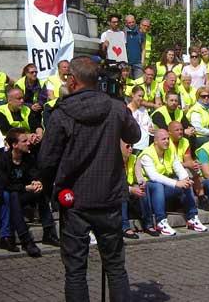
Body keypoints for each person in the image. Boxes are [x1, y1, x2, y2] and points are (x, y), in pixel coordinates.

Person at [37, 56, 141, 302]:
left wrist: (49, 186)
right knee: (115, 266)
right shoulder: (115, 107)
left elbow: (46, 160)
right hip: (107, 195)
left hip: (75, 198)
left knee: (75, 269)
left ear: (72, 80)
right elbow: (134, 134)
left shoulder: (62, 113)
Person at [0, 128, 59, 257]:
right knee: (13, 195)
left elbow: (35, 172)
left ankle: (49, 232)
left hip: (23, 194)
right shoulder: (1, 159)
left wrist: (37, 182)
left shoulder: (28, 157)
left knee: (41, 191)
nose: (28, 143)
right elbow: (4, 184)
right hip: (8, 197)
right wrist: (25, 187)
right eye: (24, 141)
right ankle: (26, 240)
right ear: (14, 145)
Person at [140, 129, 208, 236]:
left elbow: (178, 167)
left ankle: (192, 218)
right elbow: (153, 176)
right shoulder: (147, 154)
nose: (167, 141)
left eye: (167, 138)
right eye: (163, 139)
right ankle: (160, 221)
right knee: (158, 186)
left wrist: (185, 179)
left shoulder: (170, 150)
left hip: (165, 187)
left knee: (186, 183)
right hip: (150, 189)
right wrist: (176, 183)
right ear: (155, 141)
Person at [120, 140, 156, 239]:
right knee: (123, 192)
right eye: (128, 146)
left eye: (131, 146)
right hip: (117, 192)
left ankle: (148, 224)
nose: (131, 149)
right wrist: (130, 189)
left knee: (144, 189)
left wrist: (141, 183)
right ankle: (125, 227)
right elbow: (114, 184)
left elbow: (139, 174)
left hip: (130, 190)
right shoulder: (113, 161)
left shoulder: (135, 158)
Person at [127, 86, 154, 151]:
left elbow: (150, 126)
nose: (141, 98)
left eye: (142, 96)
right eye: (139, 96)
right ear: (133, 95)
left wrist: (152, 129)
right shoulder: (126, 110)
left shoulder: (144, 110)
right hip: (133, 147)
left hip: (145, 146)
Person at [124, 15, 145, 79]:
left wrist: (142, 62)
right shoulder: (123, 33)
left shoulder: (140, 33)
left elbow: (143, 48)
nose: (131, 24)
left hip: (138, 63)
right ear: (126, 23)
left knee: (139, 83)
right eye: (129, 23)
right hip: (127, 63)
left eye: (133, 22)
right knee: (128, 84)